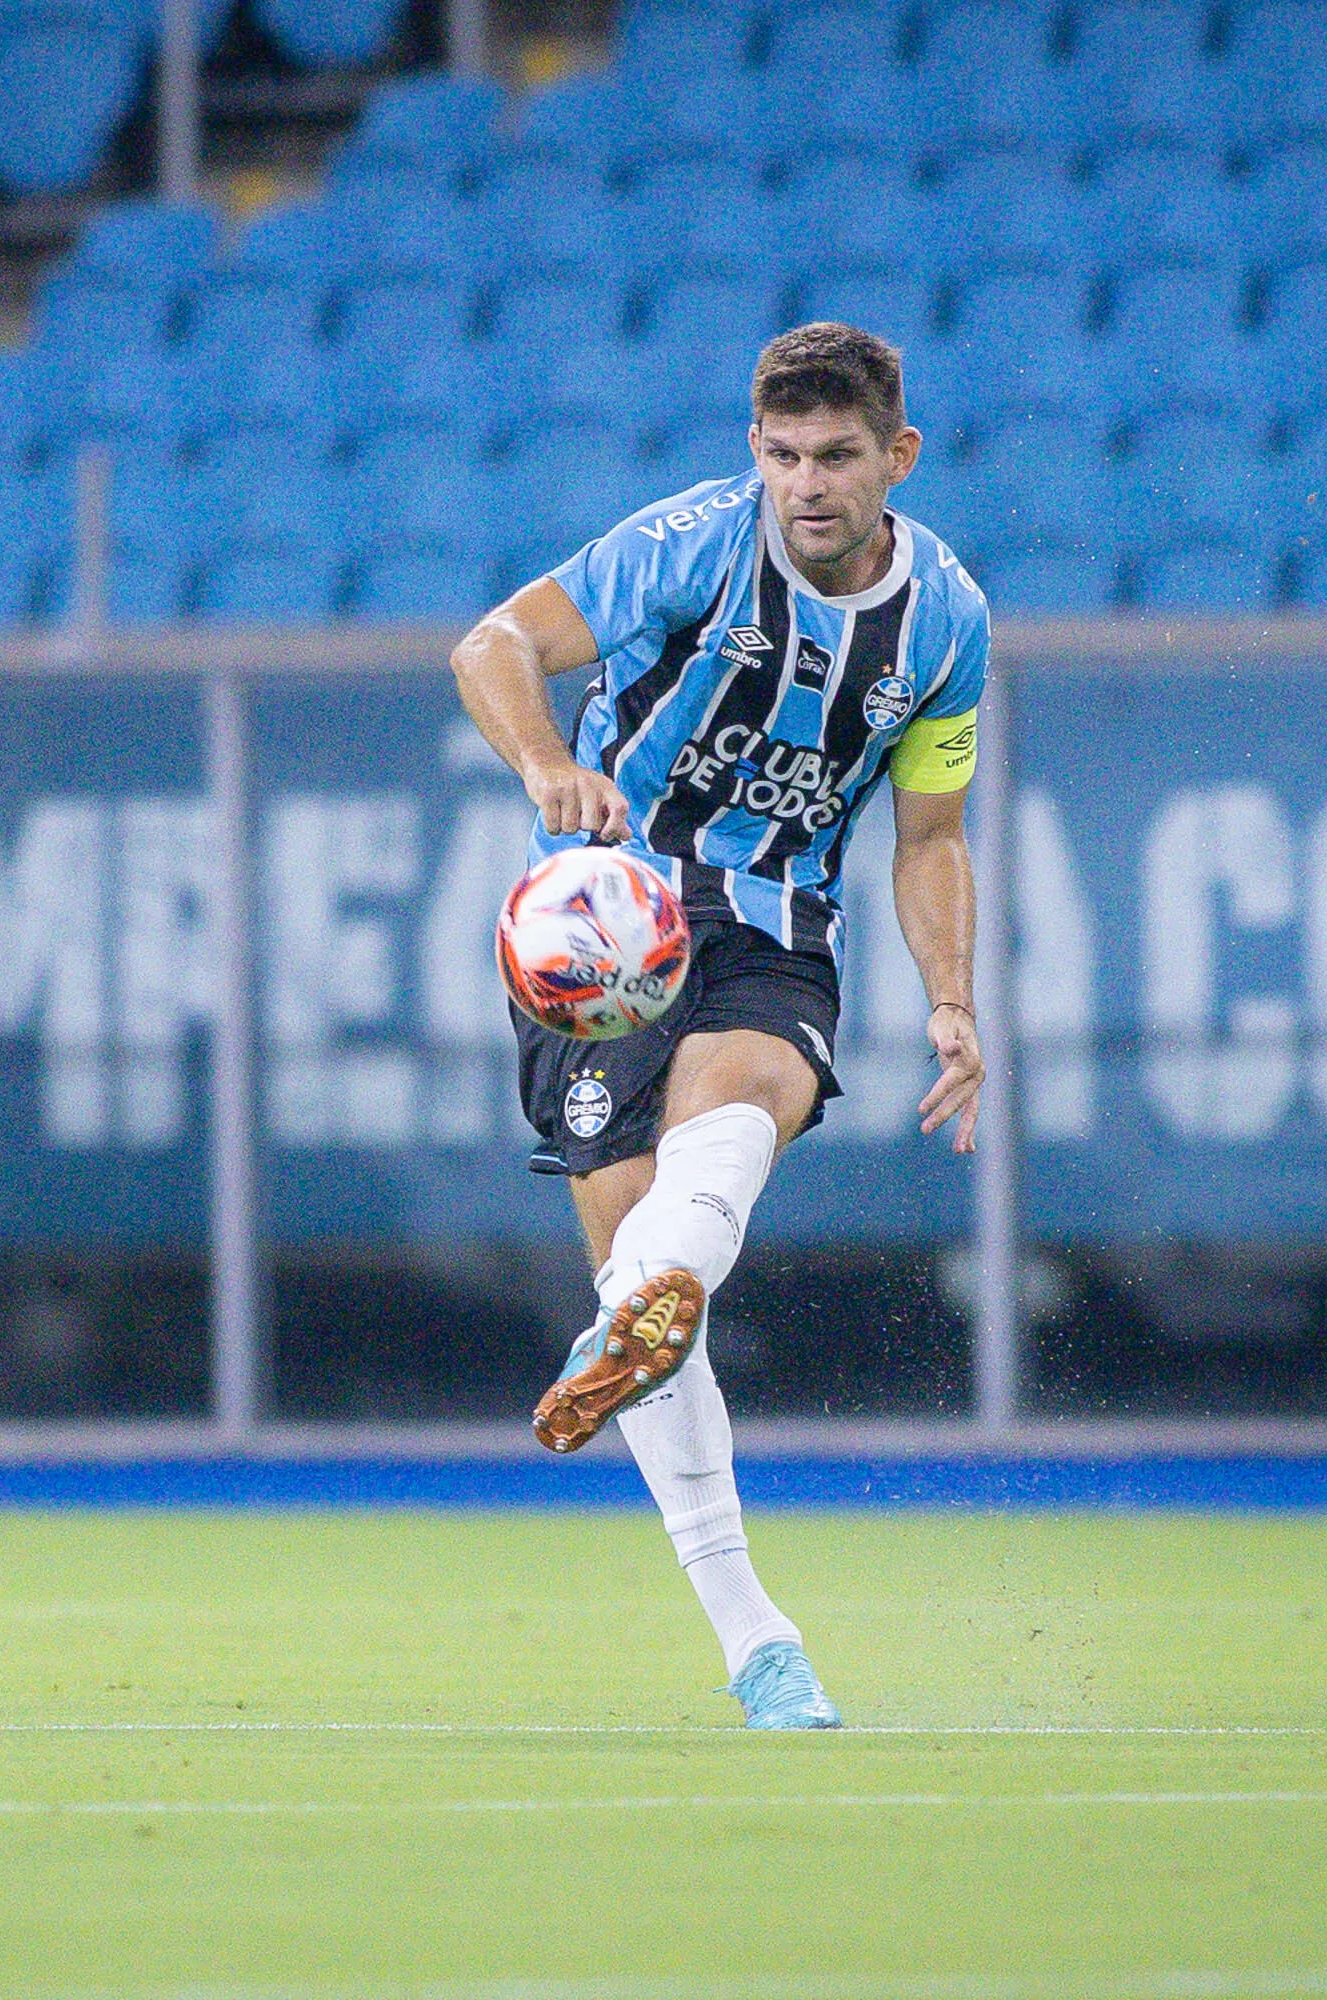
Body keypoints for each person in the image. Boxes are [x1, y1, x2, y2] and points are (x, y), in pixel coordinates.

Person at [447, 322, 990, 1729]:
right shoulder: (691, 545)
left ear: (897, 458)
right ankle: (756, 1637)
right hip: (606, 924)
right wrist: (550, 759)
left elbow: (929, 839)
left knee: (744, 1103)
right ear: (756, 450)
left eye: (839, 456)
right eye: (785, 454)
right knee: (643, 1242)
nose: (808, 484)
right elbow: (495, 643)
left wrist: (952, 1000)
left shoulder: (949, 624)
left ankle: (635, 1313)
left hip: (775, 929)